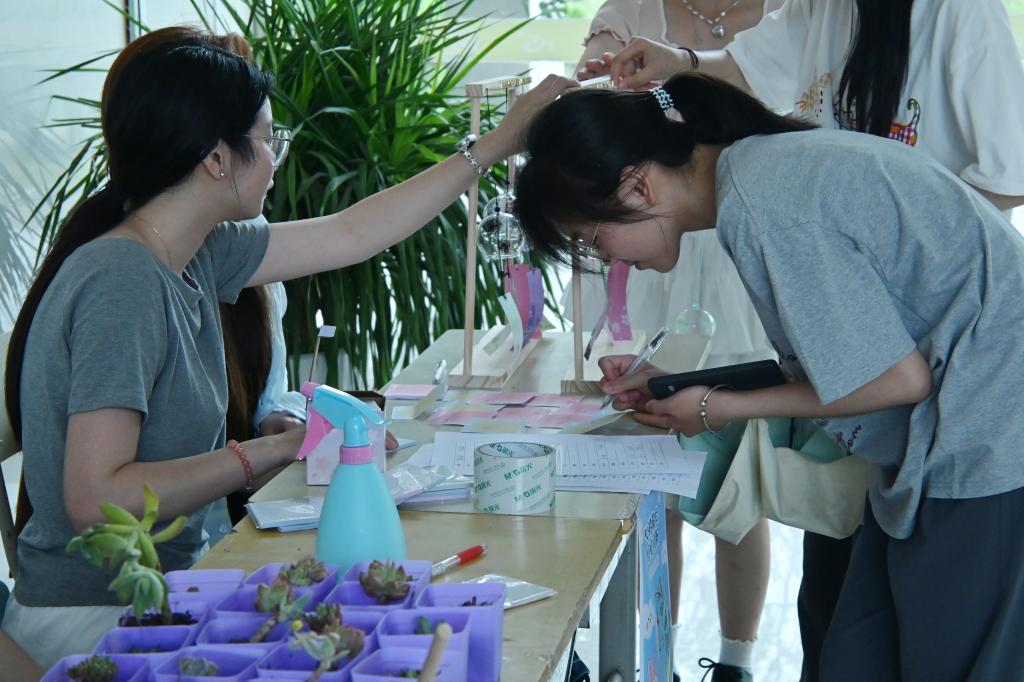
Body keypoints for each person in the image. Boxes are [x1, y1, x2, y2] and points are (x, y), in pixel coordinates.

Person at [1, 26, 573, 667]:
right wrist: (272, 451)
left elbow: (353, 232)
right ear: (217, 159)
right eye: (270, 140)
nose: (277, 158)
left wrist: (496, 143)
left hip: (172, 590)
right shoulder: (122, 281)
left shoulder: (195, 253)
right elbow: (96, 501)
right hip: (97, 622)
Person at [514, 71, 1024, 682]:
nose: (607, 259)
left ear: (637, 184)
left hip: (990, 441)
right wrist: (687, 384)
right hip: (949, 437)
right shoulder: (758, 177)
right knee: (851, 654)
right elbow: (839, 362)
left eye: (591, 238)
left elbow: (895, 379)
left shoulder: (766, 205)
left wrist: (716, 408)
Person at [573, 4, 783, 679]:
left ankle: (735, 659)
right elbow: (589, 104)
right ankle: (654, 650)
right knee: (654, 466)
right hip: (653, 240)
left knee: (738, 478)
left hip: (734, 240)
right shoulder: (630, 11)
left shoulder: (787, 15)